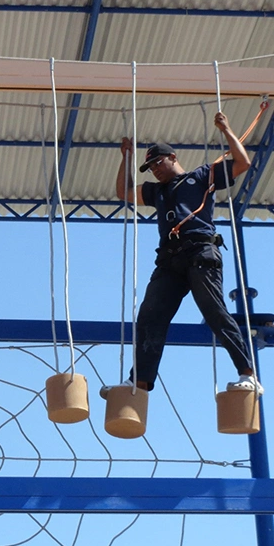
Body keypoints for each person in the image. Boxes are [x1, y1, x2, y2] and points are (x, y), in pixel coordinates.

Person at [100, 112, 263, 398]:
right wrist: (126, 156)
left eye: (157, 163)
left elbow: (242, 163)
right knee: (150, 315)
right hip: (169, 260)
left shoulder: (201, 177)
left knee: (214, 312)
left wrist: (226, 129)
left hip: (200, 252)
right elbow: (124, 192)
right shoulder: (157, 192)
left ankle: (248, 374)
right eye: (150, 168)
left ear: (173, 157)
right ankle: (138, 383)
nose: (155, 170)